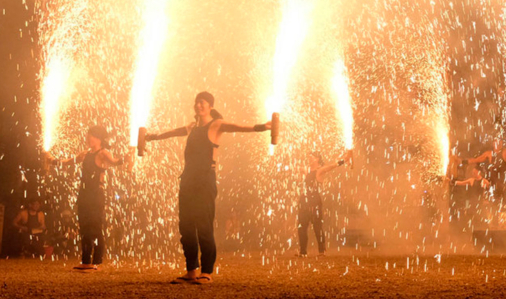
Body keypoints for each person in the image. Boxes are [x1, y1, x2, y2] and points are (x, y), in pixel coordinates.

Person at [144, 91, 272, 284]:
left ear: (210, 106)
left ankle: (207, 272)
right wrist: (152, 137)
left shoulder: (216, 124)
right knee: (186, 226)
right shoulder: (192, 126)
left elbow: (237, 126)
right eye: (196, 102)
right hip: (187, 179)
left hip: (205, 180)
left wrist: (261, 127)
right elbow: (174, 132)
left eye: (202, 103)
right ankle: (191, 271)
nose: (198, 105)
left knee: (203, 225)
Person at [43, 126, 128, 272]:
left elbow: (115, 162)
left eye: (92, 136)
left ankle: (96, 261)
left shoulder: (103, 153)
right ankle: (86, 261)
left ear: (99, 138)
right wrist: (51, 160)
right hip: (84, 194)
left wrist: (128, 156)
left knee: (95, 227)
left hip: (96, 195)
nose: (89, 138)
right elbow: (68, 162)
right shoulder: (85, 153)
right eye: (88, 135)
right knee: (84, 227)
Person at [298, 150, 350, 257]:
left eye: (312, 156)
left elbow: (331, 166)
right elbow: (294, 168)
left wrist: (344, 161)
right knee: (301, 226)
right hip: (304, 201)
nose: (309, 158)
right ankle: (303, 252)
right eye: (309, 156)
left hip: (314, 201)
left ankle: (321, 251)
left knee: (317, 226)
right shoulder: (306, 170)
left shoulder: (319, 171)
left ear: (317, 159)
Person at [472, 140, 506, 229]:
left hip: (504, 183)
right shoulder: (489, 154)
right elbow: (476, 160)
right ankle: (495, 227)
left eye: (500, 142)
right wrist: (463, 161)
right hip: (493, 184)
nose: (498, 144)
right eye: (496, 142)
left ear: (502, 144)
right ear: (493, 144)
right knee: (493, 205)